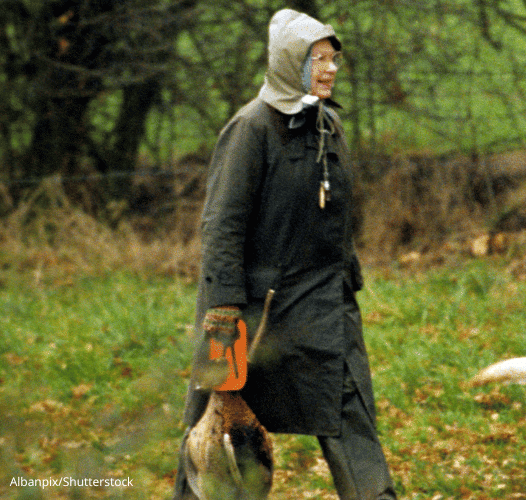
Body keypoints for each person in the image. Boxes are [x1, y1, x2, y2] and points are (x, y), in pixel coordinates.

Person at [172, 9, 396, 500]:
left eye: (333, 59)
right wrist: (225, 313)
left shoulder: (329, 125)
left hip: (326, 309)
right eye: (318, 59)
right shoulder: (250, 129)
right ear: (289, 62)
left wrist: (346, 282)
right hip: (256, 316)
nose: (330, 68)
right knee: (218, 437)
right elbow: (221, 227)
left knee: (351, 416)